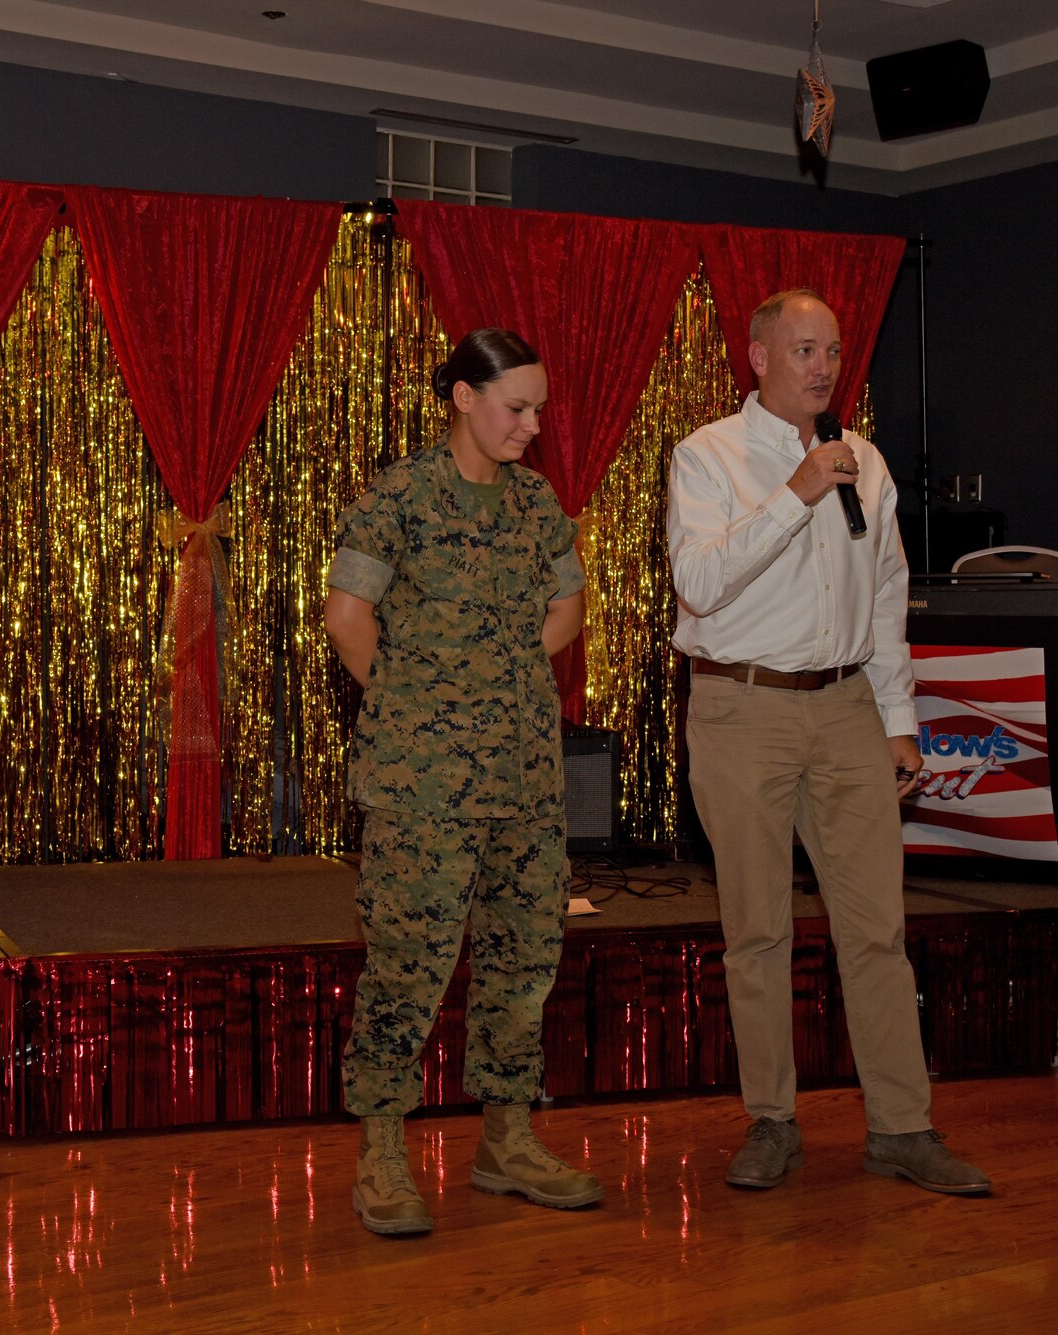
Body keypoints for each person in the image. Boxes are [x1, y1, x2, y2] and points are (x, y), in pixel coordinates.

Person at [666, 289, 990, 1195]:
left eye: (834, 350)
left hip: (848, 706)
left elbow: (887, 601)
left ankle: (902, 1126)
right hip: (743, 708)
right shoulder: (708, 456)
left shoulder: (869, 463)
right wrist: (794, 495)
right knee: (758, 930)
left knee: (877, 929)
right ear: (759, 357)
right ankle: (772, 1120)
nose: (823, 366)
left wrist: (899, 724)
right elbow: (698, 584)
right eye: (804, 349)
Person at [323, 327, 603, 1236]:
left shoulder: (534, 504)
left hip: (525, 776)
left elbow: (570, 601)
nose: (531, 425)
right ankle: (381, 1153)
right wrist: (414, 701)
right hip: (425, 785)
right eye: (516, 407)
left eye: (538, 410)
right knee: (409, 966)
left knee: (525, 960)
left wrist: (508, 671)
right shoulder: (400, 495)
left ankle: (507, 1139)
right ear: (461, 397)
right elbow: (346, 614)